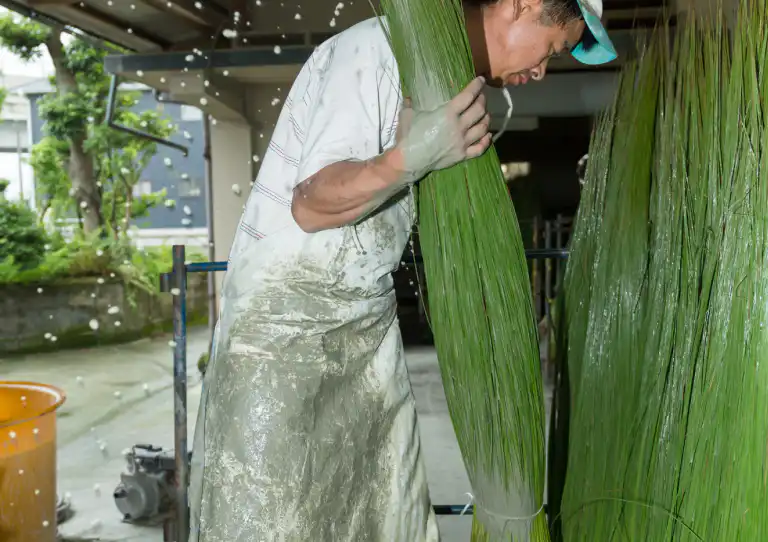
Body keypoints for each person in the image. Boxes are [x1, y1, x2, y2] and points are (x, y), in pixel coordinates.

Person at [189, 0, 616, 540]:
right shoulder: (378, 48)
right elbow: (312, 203)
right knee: (270, 515)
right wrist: (408, 158)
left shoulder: (445, 85)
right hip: (285, 331)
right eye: (551, 48)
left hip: (366, 325)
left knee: (378, 515)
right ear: (521, 4)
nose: (541, 71)